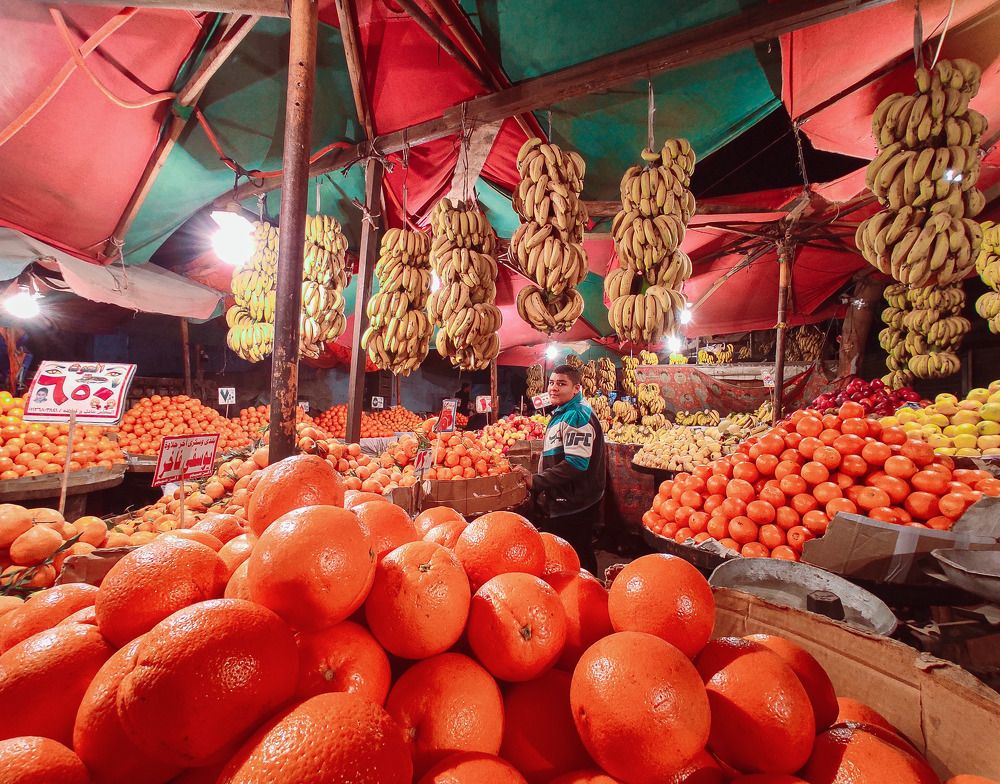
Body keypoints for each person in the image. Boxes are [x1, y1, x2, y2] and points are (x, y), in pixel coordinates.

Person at [513, 364, 605, 575]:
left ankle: (587, 597)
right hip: (568, 498)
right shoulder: (565, 412)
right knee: (571, 552)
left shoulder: (577, 416)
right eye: (552, 383)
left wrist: (536, 481)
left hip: (573, 502)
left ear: (576, 388)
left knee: (575, 555)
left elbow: (576, 463)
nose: (553, 388)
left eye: (561, 384)